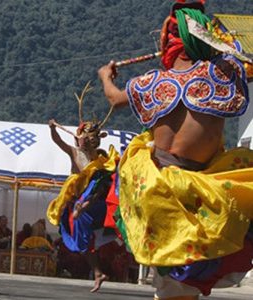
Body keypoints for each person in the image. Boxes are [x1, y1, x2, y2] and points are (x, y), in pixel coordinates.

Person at [97, 1, 253, 298]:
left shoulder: (150, 83)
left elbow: (115, 98)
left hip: (155, 190)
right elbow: (244, 60)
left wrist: (106, 76)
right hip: (200, 193)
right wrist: (221, 43)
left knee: (171, 280)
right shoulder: (222, 75)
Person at [46, 83, 118, 293]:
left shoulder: (100, 157)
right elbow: (57, 141)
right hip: (76, 202)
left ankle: (86, 206)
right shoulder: (74, 152)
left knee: (99, 178)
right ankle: (97, 272)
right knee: (83, 239)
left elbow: (105, 178)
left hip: (93, 202)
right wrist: (52, 128)